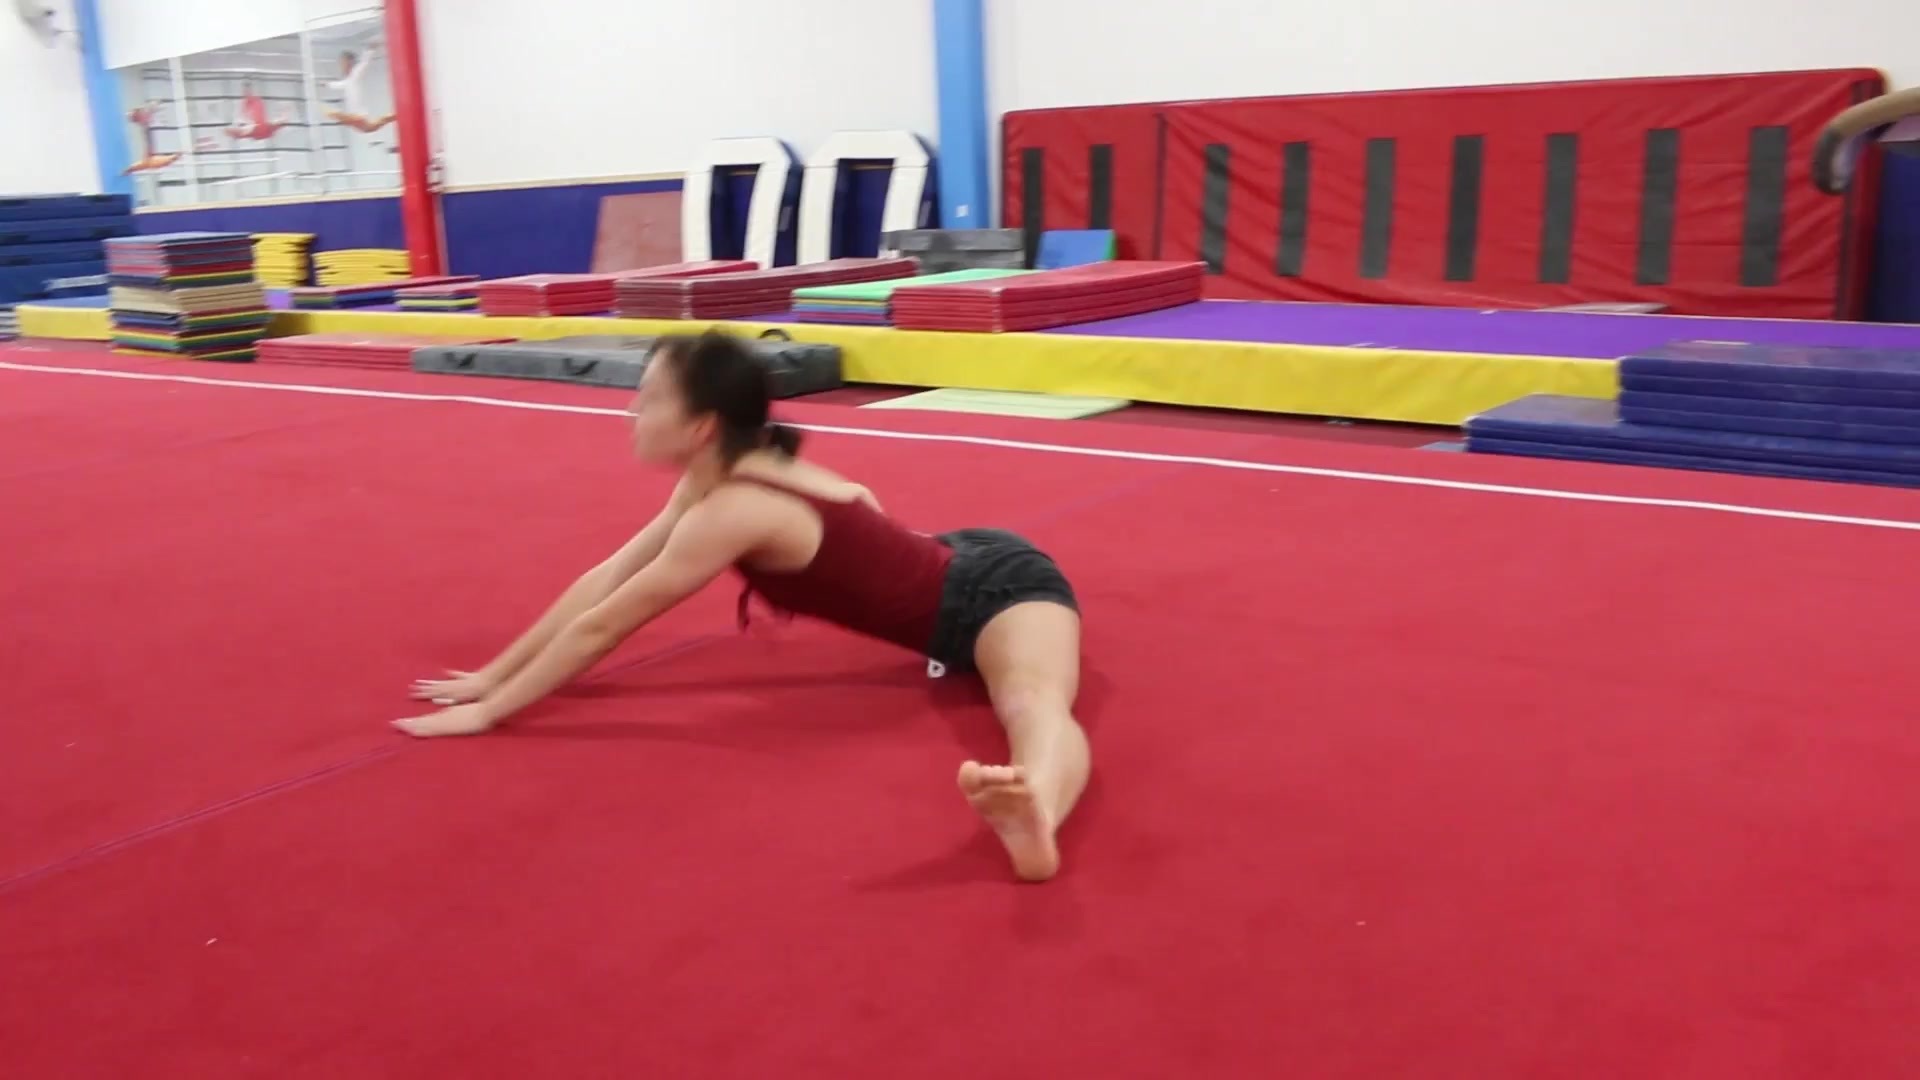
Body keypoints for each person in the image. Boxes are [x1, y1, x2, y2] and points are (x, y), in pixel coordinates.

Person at [394, 330, 1092, 882]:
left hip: (998, 590)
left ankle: (1036, 810)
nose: (632, 410)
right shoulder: (721, 476)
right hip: (953, 567)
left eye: (649, 398)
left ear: (702, 426)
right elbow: (604, 580)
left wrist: (493, 712)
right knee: (1022, 694)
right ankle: (1031, 800)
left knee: (1031, 703)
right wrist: (493, 674)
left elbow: (604, 626)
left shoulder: (734, 507)